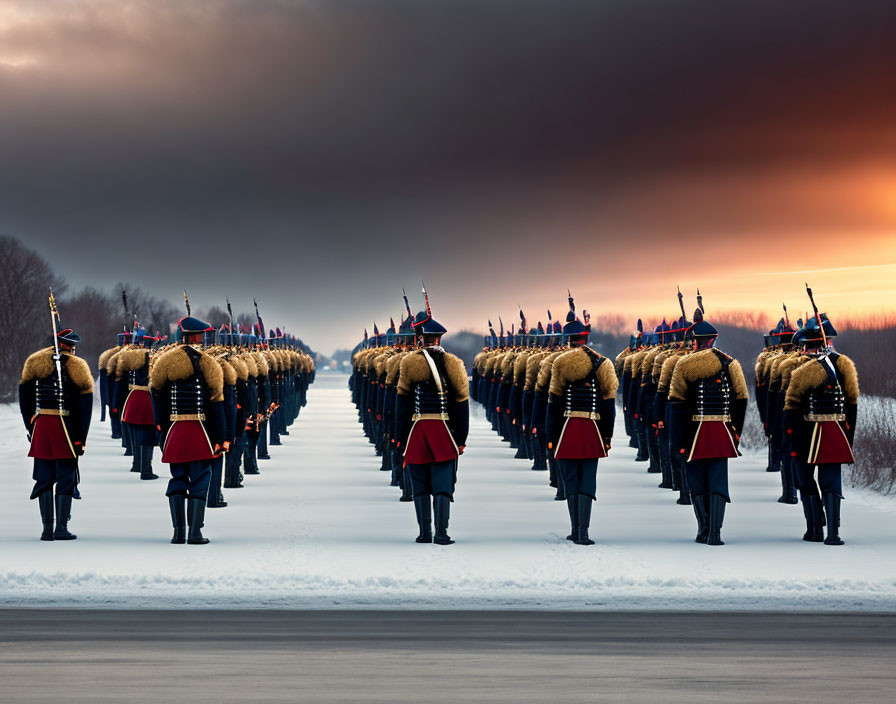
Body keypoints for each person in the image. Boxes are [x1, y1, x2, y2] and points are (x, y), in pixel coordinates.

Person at [668, 307, 748, 546]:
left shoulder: (683, 365)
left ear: (695, 341)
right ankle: (715, 533)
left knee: (697, 483)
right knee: (718, 482)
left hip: (693, 433)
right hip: (721, 432)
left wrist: (677, 441)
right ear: (713, 340)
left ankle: (704, 529)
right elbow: (741, 399)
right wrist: (735, 431)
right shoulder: (730, 364)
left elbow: (676, 406)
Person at [394, 291, 469, 545]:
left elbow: (402, 406)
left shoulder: (409, 364)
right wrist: (460, 438)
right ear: (438, 338)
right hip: (444, 431)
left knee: (420, 483)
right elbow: (461, 405)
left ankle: (425, 532)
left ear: (420, 339)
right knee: (442, 483)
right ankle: (442, 533)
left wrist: (400, 439)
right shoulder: (453, 364)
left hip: (417, 430)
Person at [545, 296, 617, 545]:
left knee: (571, 479)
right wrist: (607, 437)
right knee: (587, 478)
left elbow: (553, 405)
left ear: (568, 340)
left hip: (566, 428)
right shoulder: (603, 364)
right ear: (586, 338)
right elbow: (609, 406)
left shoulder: (559, 363)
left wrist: (551, 437)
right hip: (592, 428)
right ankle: (582, 532)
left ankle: (575, 529)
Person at [783, 313, 859, 545]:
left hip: (807, 433)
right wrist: (847, 437)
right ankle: (829, 532)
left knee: (806, 480)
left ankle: (818, 529)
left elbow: (791, 411)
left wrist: (791, 440)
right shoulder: (842, 364)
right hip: (836, 432)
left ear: (806, 346)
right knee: (830, 481)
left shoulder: (799, 371)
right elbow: (852, 405)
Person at [150, 315, 226, 545]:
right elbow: (215, 402)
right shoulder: (207, 363)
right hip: (199, 430)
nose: (203, 339)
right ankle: (194, 532)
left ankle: (178, 532)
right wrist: (220, 437)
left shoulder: (164, 361)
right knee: (201, 479)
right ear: (193, 336)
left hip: (175, 430)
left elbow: (157, 397)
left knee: (178, 478)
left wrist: (163, 427)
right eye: (201, 335)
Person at [20, 326, 93, 541]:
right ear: (69, 346)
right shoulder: (77, 366)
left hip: (42, 425)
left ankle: (46, 529)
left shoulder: (35, 361)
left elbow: (25, 400)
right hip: (65, 428)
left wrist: (31, 427)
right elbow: (84, 408)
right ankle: (60, 528)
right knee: (65, 477)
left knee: (44, 477)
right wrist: (81, 438)